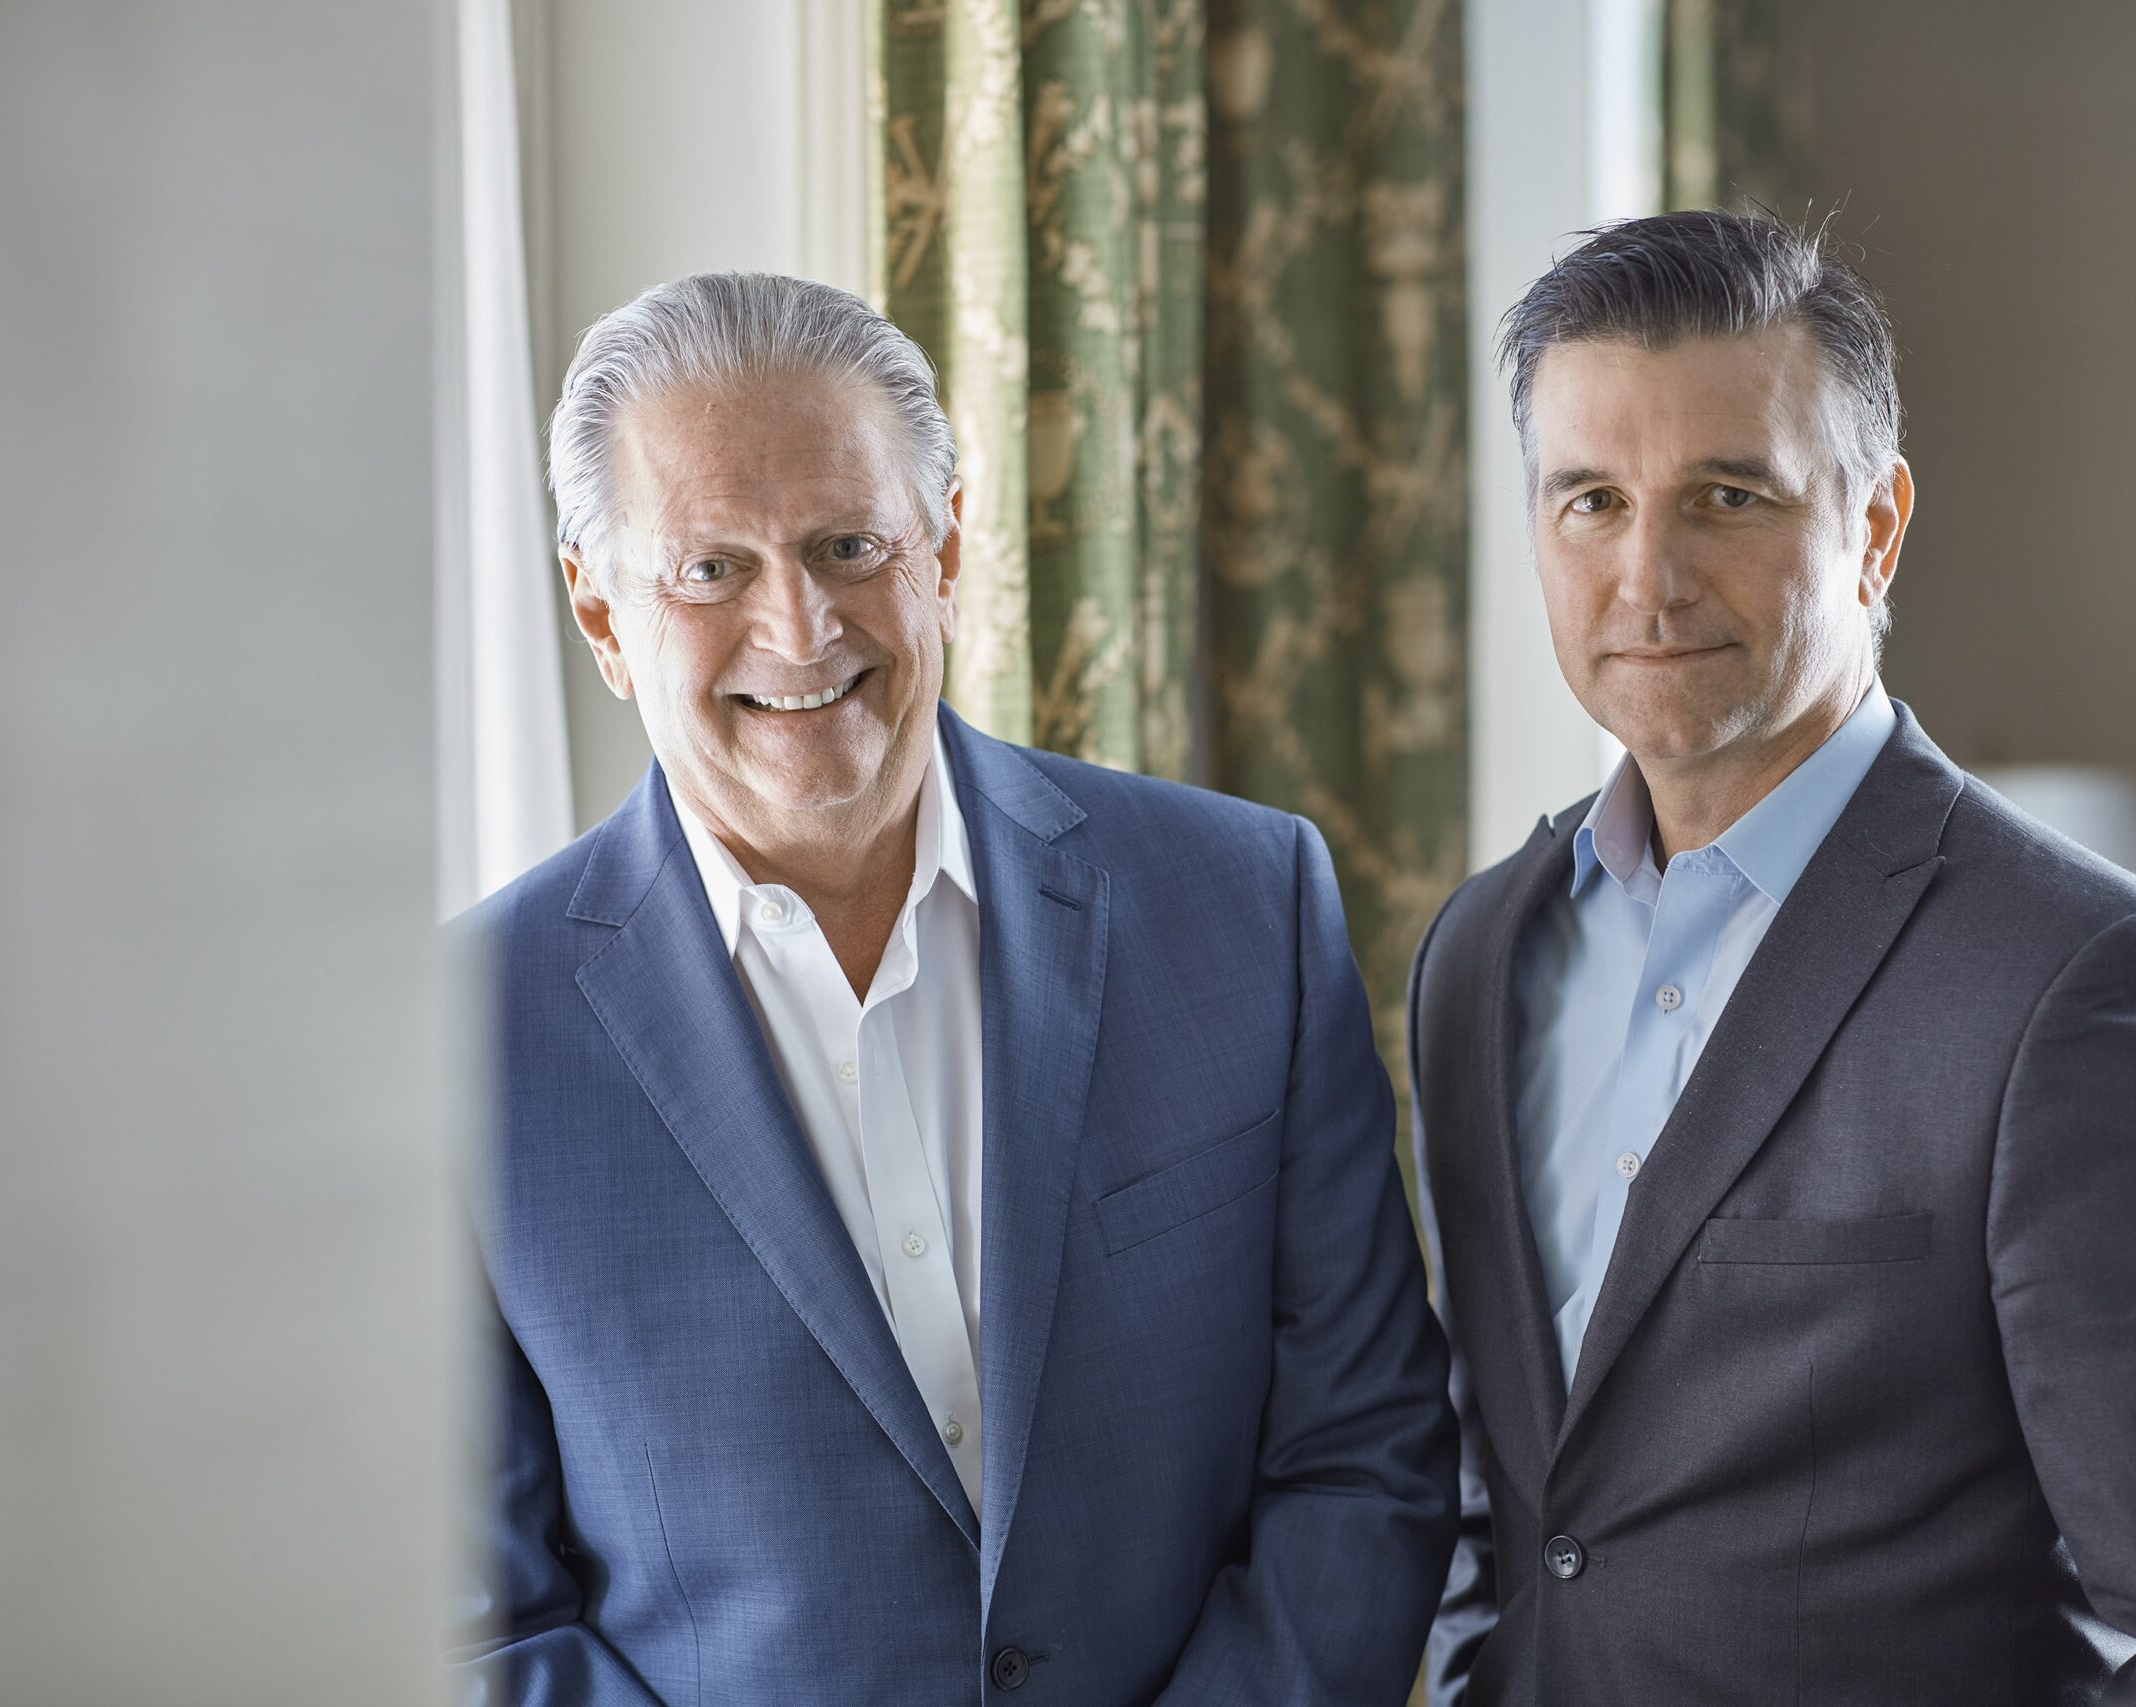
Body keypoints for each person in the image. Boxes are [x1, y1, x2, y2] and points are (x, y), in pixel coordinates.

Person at [455, 272, 1456, 1704]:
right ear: (601, 614)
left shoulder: (1244, 906)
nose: (799, 630)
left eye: (848, 543)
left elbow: (1364, 1455)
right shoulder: (459, 1041)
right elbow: (482, 1626)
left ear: (949, 550)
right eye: (709, 569)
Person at [1413, 210, 2136, 1704]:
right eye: (1590, 501)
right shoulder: (1479, 956)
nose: (1648, 580)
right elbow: (1523, 1517)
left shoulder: (2084, 986)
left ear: (1877, 527)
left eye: (1728, 496)